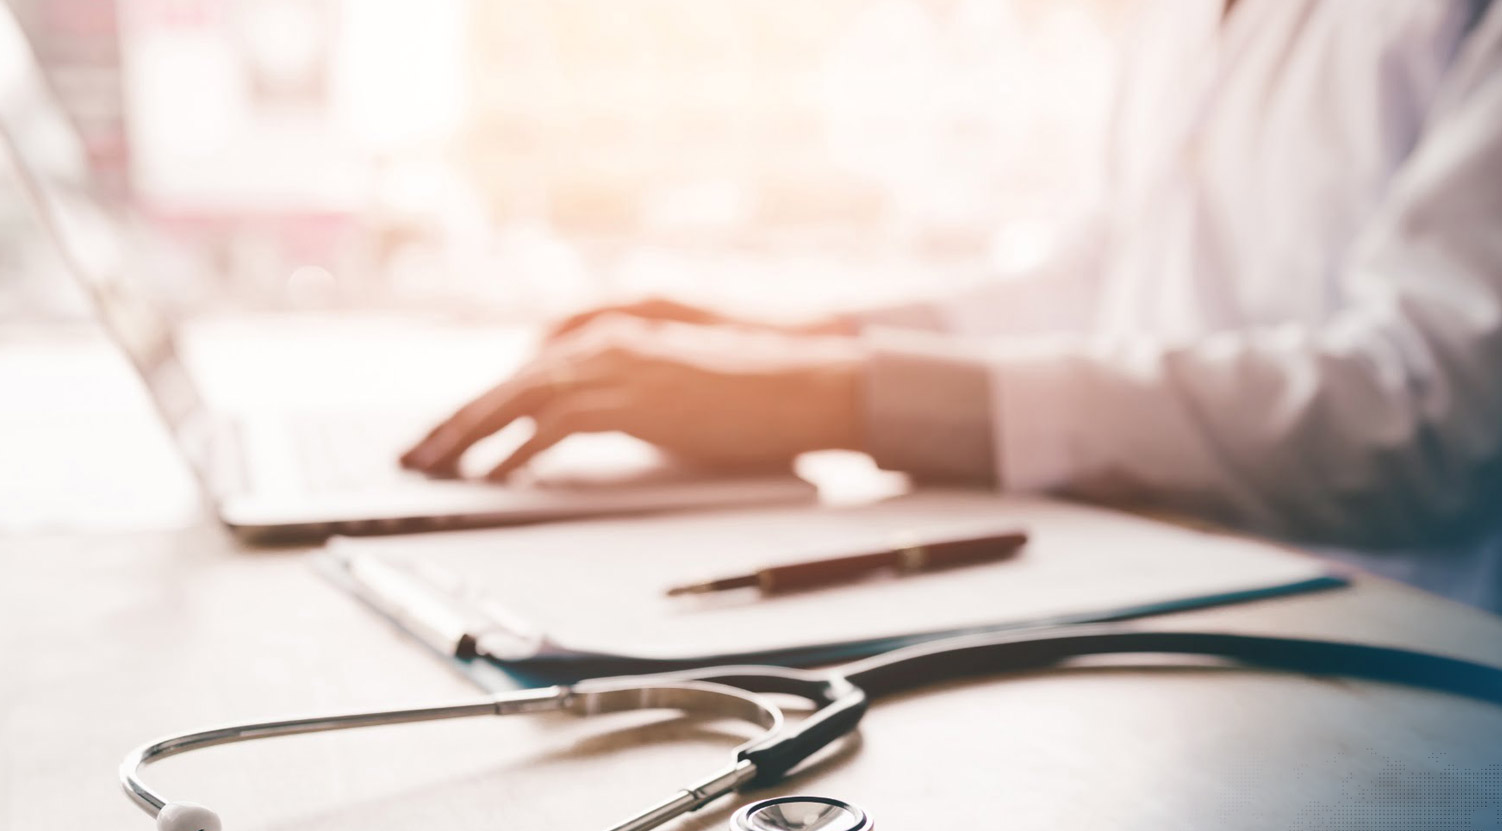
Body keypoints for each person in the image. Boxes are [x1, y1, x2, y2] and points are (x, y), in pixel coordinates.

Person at [403, 0, 1502, 608]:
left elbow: (1417, 411)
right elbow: (1101, 277)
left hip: (1396, 664)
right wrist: (779, 344)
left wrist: (841, 400)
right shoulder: (1178, 20)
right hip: (1160, 612)